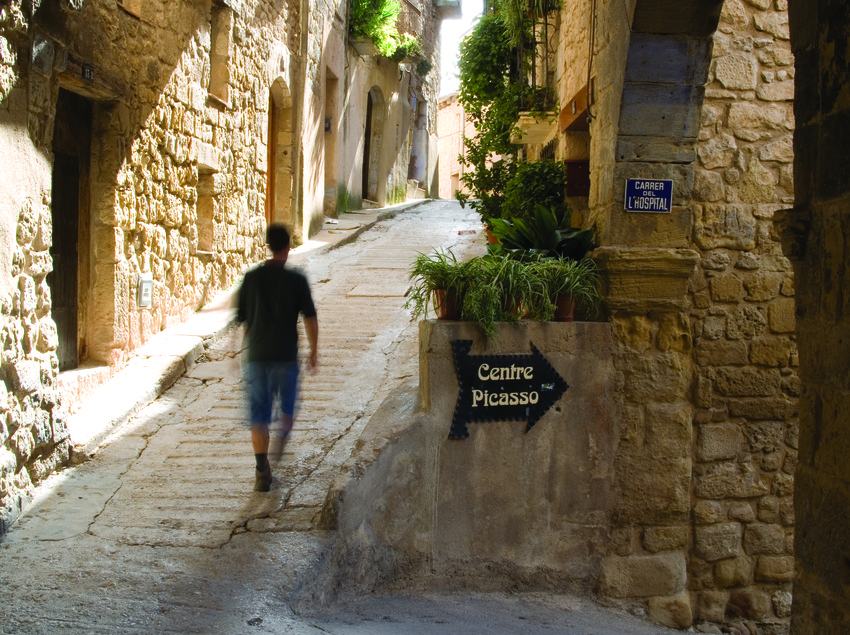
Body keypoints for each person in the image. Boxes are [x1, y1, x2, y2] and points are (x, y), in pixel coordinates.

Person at [236, 224, 319, 492]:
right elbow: (310, 317)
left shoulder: (251, 278)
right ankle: (283, 434)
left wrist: (238, 353)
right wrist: (314, 351)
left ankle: (262, 470)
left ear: (268, 245)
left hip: (257, 357)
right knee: (288, 408)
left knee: (258, 415)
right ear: (288, 247)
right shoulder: (297, 280)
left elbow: (243, 320)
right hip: (286, 357)